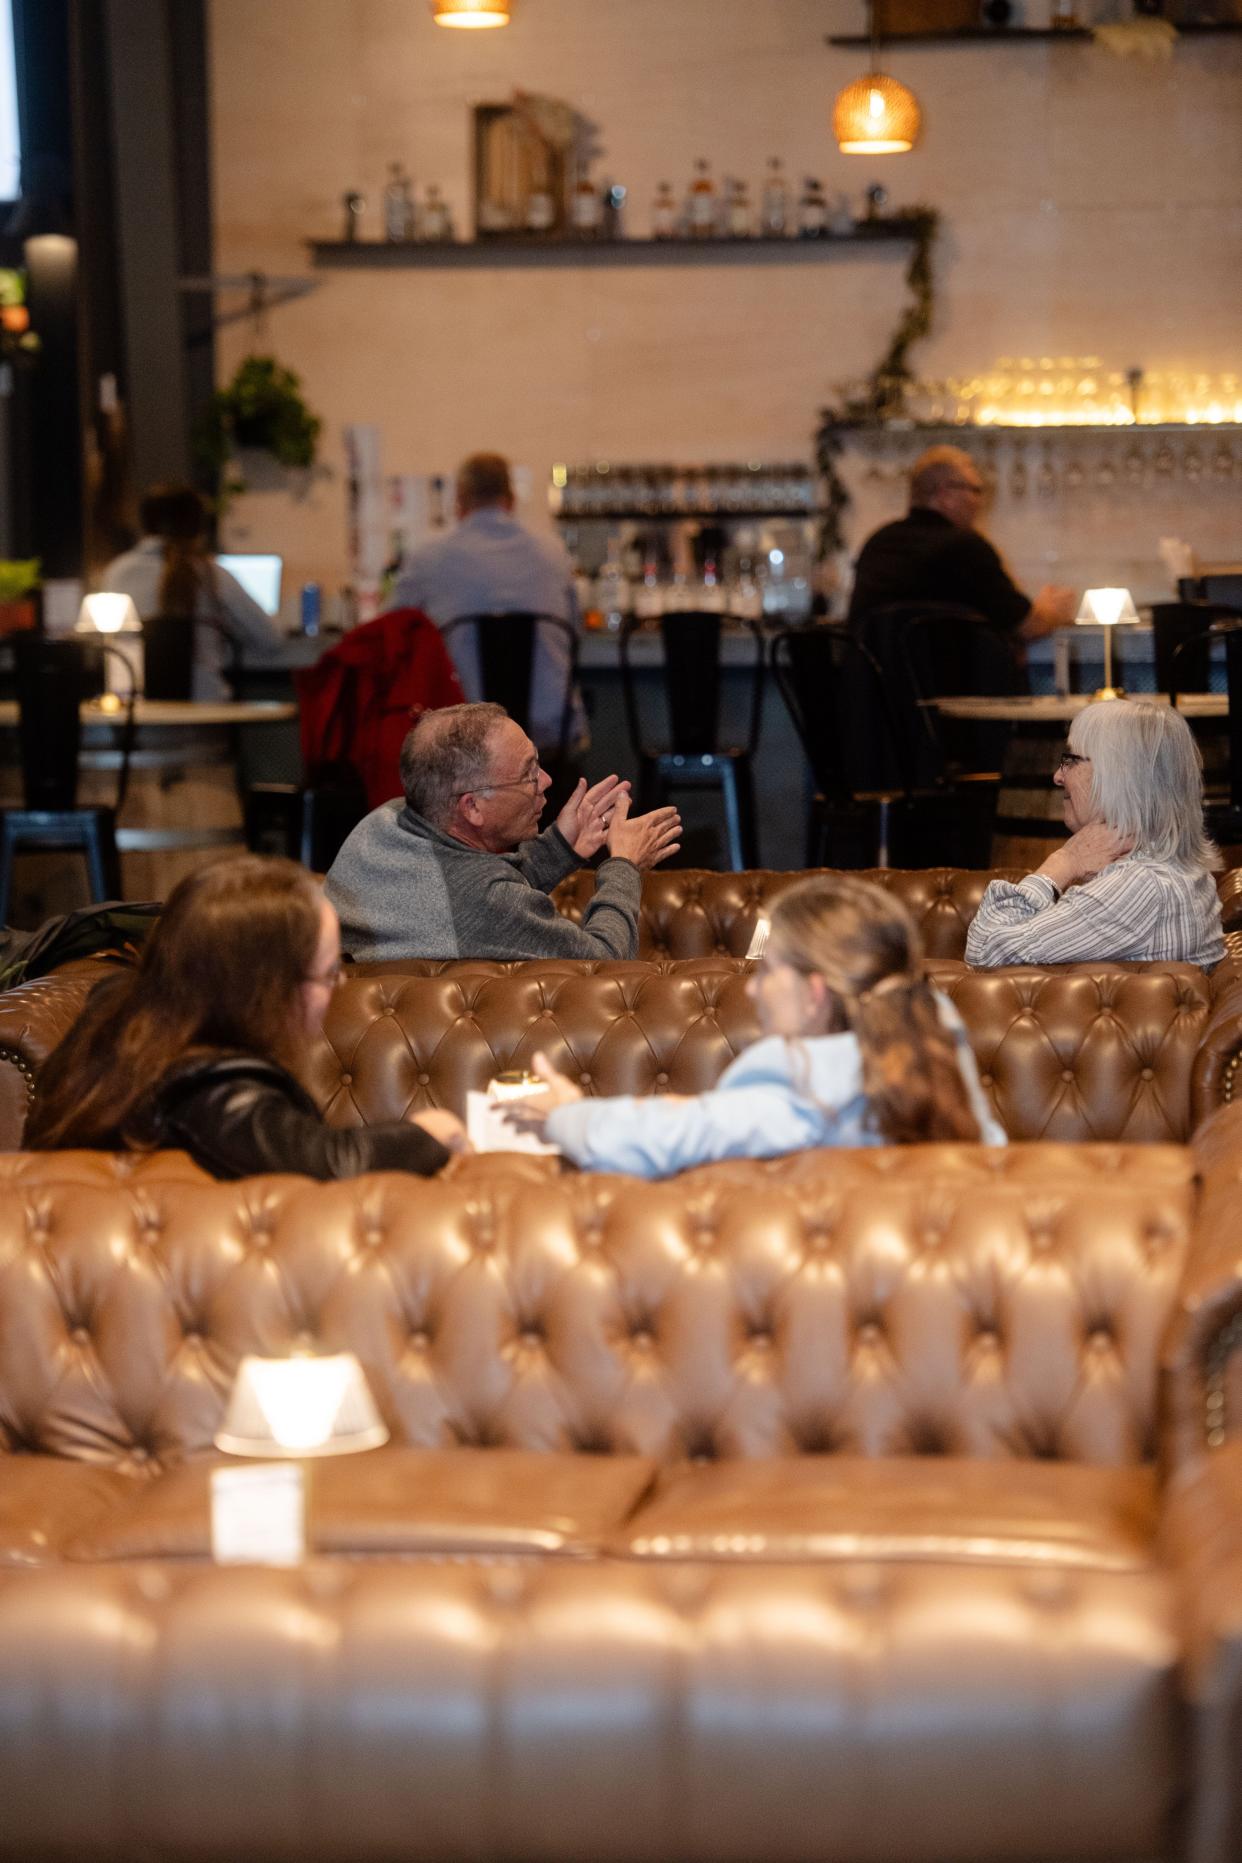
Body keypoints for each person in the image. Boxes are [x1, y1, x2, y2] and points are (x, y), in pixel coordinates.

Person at [504, 873, 1006, 1177]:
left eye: (767, 972)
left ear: (813, 994)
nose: (751, 988)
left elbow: (669, 1138)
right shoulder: (934, 1031)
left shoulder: (800, 1077)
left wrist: (563, 1114)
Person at [24, 855, 465, 1178]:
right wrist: (429, 1132)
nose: (340, 986)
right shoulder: (213, 1091)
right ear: (266, 990)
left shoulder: (125, 1025)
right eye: (330, 973)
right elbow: (327, 1164)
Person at [324, 702, 681, 961]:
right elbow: (603, 964)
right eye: (529, 773)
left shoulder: (384, 821)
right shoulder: (482, 901)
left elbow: (468, 881)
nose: (546, 781)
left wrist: (561, 846)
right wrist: (624, 864)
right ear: (472, 807)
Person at [966, 699, 1224, 968]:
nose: (1057, 776)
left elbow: (983, 953)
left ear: (1118, 775)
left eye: (1070, 760)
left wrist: (1063, 862)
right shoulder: (1167, 866)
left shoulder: (1140, 885)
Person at [393, 452, 583, 752]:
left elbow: (393, 634)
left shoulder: (428, 557)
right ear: (511, 499)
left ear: (460, 500)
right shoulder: (553, 553)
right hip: (547, 732)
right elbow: (576, 632)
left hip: (458, 738)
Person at [846, 446, 1077, 642]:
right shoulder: (966, 547)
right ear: (945, 494)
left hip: (875, 691)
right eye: (975, 490)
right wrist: (1051, 610)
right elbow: (1028, 626)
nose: (980, 501)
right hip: (955, 690)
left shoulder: (878, 542)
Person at [100, 484, 286, 700]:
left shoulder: (116, 573)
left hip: (136, 713)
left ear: (143, 524)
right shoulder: (212, 574)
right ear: (198, 526)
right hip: (203, 712)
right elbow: (271, 640)